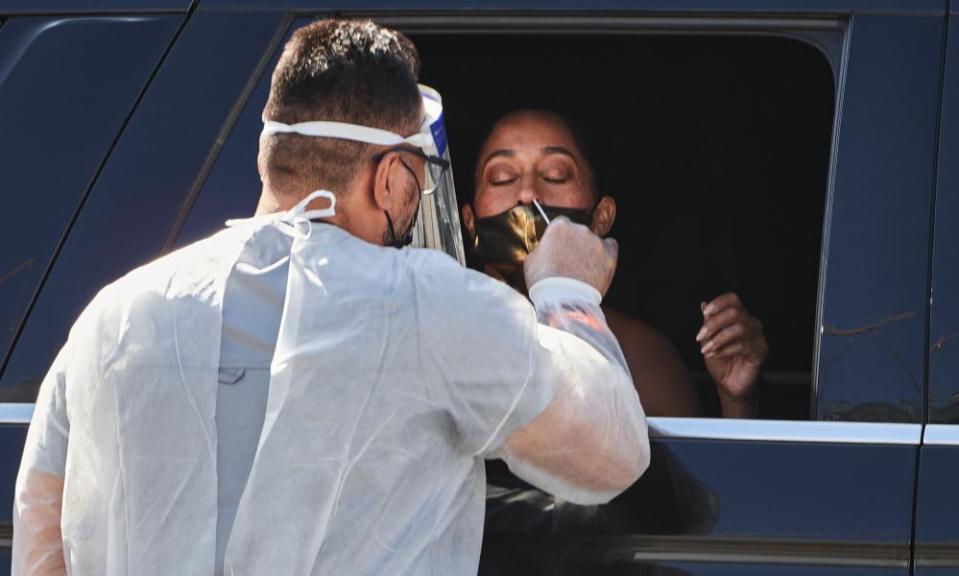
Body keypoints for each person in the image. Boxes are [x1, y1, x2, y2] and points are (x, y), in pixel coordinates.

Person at [13, 20, 650, 576]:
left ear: (272, 158)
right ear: (394, 176)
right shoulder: (428, 304)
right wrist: (566, 290)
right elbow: (610, 452)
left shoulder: (110, 318)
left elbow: (41, 550)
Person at [462, 110, 769, 418]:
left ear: (601, 217)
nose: (528, 194)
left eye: (555, 175)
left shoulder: (643, 361)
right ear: (470, 221)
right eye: (503, 178)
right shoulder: (438, 338)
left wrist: (738, 401)